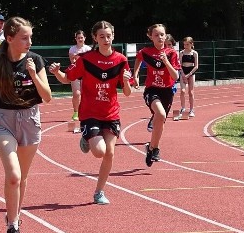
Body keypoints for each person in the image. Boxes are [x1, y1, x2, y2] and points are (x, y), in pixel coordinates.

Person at [0, 16, 52, 233]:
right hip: (2, 121)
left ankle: (14, 216)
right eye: (24, 38)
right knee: (14, 175)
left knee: (22, 177)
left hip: (29, 119)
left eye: (30, 37)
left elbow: (47, 97)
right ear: (9, 38)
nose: (29, 42)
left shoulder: (35, 60)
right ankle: (12, 226)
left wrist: (34, 75)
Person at [49, 21, 131, 205]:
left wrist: (125, 82)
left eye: (108, 35)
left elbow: (127, 93)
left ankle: (99, 191)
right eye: (101, 36)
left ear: (113, 36)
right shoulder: (85, 59)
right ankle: (86, 138)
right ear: (94, 38)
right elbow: (66, 78)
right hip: (89, 113)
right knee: (99, 152)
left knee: (109, 153)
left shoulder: (121, 60)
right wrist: (56, 72)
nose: (106, 39)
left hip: (111, 113)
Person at [133, 23, 180, 166]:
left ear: (166, 36)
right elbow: (138, 59)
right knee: (160, 114)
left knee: (161, 119)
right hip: (152, 90)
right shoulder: (146, 52)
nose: (159, 37)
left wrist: (166, 61)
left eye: (162, 34)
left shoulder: (171, 53)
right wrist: (135, 75)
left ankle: (152, 148)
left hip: (167, 91)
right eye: (156, 35)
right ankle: (156, 148)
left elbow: (175, 76)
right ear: (150, 36)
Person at [67, 30, 92, 122]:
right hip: (76, 73)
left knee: (86, 93)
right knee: (76, 94)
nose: (80, 39)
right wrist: (75, 57)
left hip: (86, 73)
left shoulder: (88, 49)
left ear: (85, 38)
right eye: (78, 38)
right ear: (76, 39)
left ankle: (87, 111)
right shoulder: (72, 49)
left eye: (82, 37)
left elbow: (90, 62)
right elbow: (72, 61)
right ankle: (76, 112)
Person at [173, 36, 198, 120]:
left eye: (187, 44)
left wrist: (189, 74)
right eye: (184, 44)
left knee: (191, 92)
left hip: (191, 73)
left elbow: (196, 66)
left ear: (191, 44)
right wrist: (183, 75)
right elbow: (179, 65)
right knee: (183, 91)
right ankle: (183, 108)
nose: (185, 46)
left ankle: (191, 110)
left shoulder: (194, 53)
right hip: (183, 72)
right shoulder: (182, 53)